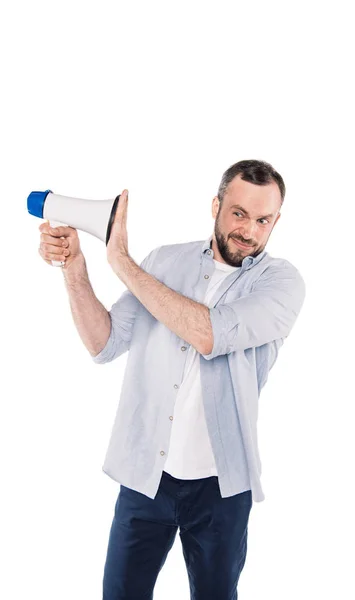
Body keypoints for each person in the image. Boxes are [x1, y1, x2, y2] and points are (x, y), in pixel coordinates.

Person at [38, 159, 306, 599]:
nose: (249, 231)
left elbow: (208, 333)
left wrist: (120, 260)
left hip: (221, 488)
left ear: (276, 221)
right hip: (146, 475)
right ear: (216, 206)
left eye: (263, 220)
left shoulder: (282, 284)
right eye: (239, 213)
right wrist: (75, 268)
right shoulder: (164, 261)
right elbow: (102, 343)